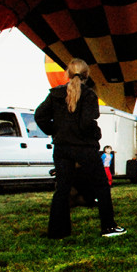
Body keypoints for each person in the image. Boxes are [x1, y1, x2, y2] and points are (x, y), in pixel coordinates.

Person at [34, 58, 126, 238]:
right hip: (84, 147)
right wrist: (96, 134)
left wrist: (56, 131)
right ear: (87, 75)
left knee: (62, 188)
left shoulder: (55, 94)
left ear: (67, 74)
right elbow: (86, 123)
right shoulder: (89, 95)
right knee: (101, 185)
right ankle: (108, 227)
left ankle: (57, 231)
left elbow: (39, 116)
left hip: (62, 148)